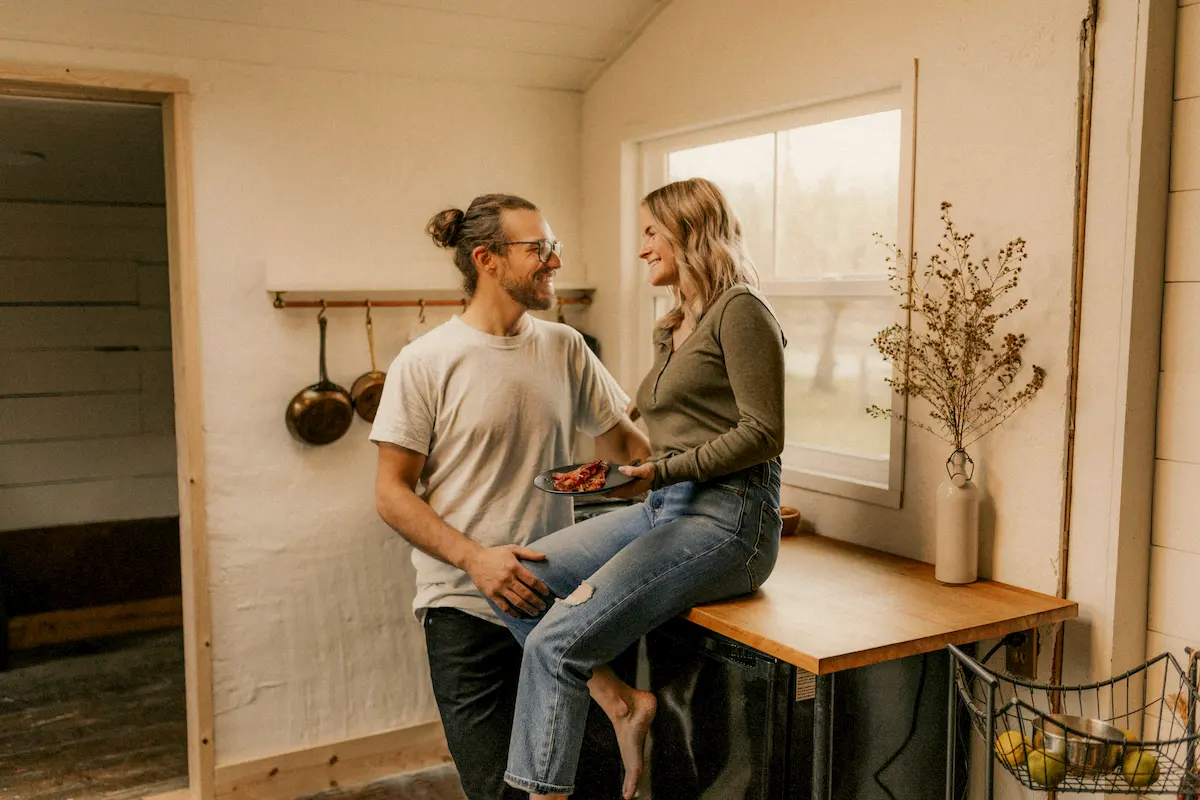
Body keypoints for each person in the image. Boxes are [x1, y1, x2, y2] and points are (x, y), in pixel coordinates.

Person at [490, 177, 787, 800]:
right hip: (663, 510)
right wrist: (633, 472)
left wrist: (665, 470)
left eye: (652, 232)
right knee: (515, 581)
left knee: (553, 644)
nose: (643, 247)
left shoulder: (742, 310)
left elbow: (764, 433)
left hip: (729, 523)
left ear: (689, 231)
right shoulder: (675, 321)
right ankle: (625, 706)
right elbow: (677, 435)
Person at [371, 193, 651, 800]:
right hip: (466, 611)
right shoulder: (423, 362)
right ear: (487, 259)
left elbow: (630, 449)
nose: (554, 261)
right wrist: (476, 557)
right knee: (502, 791)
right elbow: (392, 494)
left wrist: (673, 462)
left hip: (566, 604)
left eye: (554, 247)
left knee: (595, 786)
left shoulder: (565, 346)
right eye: (538, 248)